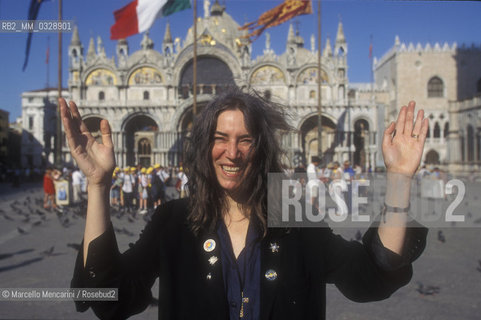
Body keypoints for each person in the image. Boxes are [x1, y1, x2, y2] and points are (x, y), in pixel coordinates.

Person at [62, 90, 429, 320]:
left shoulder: (296, 224)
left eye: (246, 140)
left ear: (262, 149)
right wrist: (98, 184)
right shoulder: (174, 222)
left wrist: (399, 178)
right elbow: (108, 297)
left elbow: (372, 277)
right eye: (220, 139)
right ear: (205, 147)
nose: (232, 153)